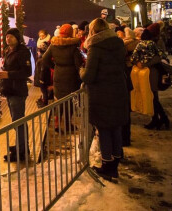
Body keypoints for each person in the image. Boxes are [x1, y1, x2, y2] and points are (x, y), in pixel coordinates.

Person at [81, 18, 128, 180]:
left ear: (93, 30)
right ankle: (114, 163)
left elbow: (88, 76)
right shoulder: (119, 43)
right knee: (115, 128)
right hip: (118, 91)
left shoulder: (95, 47)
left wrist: (81, 71)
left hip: (102, 94)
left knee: (104, 130)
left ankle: (107, 165)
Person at [0, 28, 32, 162]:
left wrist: (8, 74)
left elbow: (27, 72)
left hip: (17, 91)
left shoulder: (22, 52)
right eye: (7, 37)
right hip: (10, 90)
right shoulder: (8, 51)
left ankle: (22, 151)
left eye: (11, 37)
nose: (8, 39)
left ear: (17, 38)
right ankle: (21, 146)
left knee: (19, 121)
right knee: (16, 121)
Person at [42, 23, 83, 131]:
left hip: (58, 74)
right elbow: (78, 63)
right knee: (70, 100)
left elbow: (44, 59)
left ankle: (56, 124)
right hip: (71, 76)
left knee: (58, 100)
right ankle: (68, 124)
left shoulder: (54, 44)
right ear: (70, 33)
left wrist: (55, 67)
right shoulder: (73, 46)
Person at [131, 27, 170, 130]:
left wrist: (141, 63)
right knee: (154, 97)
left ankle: (158, 120)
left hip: (147, 74)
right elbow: (161, 56)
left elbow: (133, 57)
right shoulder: (154, 44)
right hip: (155, 73)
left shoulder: (141, 44)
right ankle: (161, 119)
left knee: (151, 98)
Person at [121, 27, 140, 146]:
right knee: (126, 110)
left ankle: (124, 139)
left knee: (122, 111)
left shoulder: (123, 45)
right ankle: (126, 138)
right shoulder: (138, 44)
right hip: (131, 74)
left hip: (123, 78)